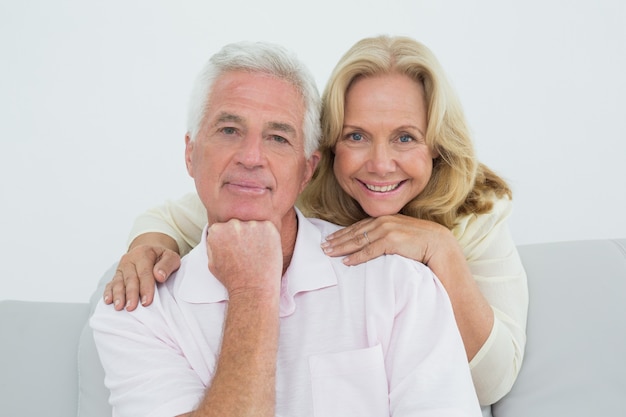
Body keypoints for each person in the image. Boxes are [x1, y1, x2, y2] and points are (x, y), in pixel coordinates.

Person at [105, 35, 528, 407]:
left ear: (436, 145)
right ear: (324, 156)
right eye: (356, 136)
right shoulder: (299, 190)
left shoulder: (470, 221)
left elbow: (491, 382)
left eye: (405, 137)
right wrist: (145, 248)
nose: (380, 164)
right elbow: (197, 208)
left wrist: (442, 251)